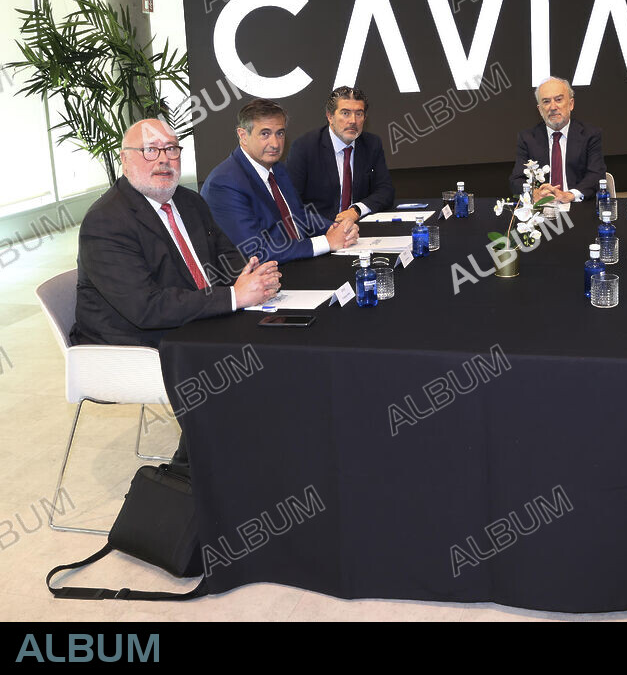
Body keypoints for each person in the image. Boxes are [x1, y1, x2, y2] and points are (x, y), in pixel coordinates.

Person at [71, 119, 282, 467]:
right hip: (129, 341)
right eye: (150, 150)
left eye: (171, 149)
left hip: (188, 318)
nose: (164, 160)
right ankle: (197, 475)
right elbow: (145, 308)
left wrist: (252, 277)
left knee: (277, 339)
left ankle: (264, 452)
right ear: (125, 160)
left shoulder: (188, 201)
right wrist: (234, 297)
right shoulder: (106, 222)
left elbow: (227, 256)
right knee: (226, 365)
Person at [201, 99, 359, 264]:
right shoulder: (223, 183)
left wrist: (335, 229)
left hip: (298, 265)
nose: (275, 144)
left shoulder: (277, 168)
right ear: (243, 136)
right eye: (265, 134)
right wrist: (327, 242)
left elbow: (297, 214)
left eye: (280, 133)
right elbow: (255, 251)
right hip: (265, 278)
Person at [287, 86, 395, 224]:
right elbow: (291, 204)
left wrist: (357, 210)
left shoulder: (371, 144)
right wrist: (330, 228)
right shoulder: (304, 147)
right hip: (320, 232)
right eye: (345, 113)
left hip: (359, 229)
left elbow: (385, 191)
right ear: (330, 116)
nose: (353, 121)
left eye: (359, 114)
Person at [509, 76, 607, 202]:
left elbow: (596, 176)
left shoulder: (590, 135)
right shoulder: (527, 138)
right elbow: (516, 180)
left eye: (558, 99)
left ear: (571, 104)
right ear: (540, 110)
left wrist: (570, 195)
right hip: (542, 207)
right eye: (546, 101)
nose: (553, 107)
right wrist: (535, 193)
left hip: (577, 204)